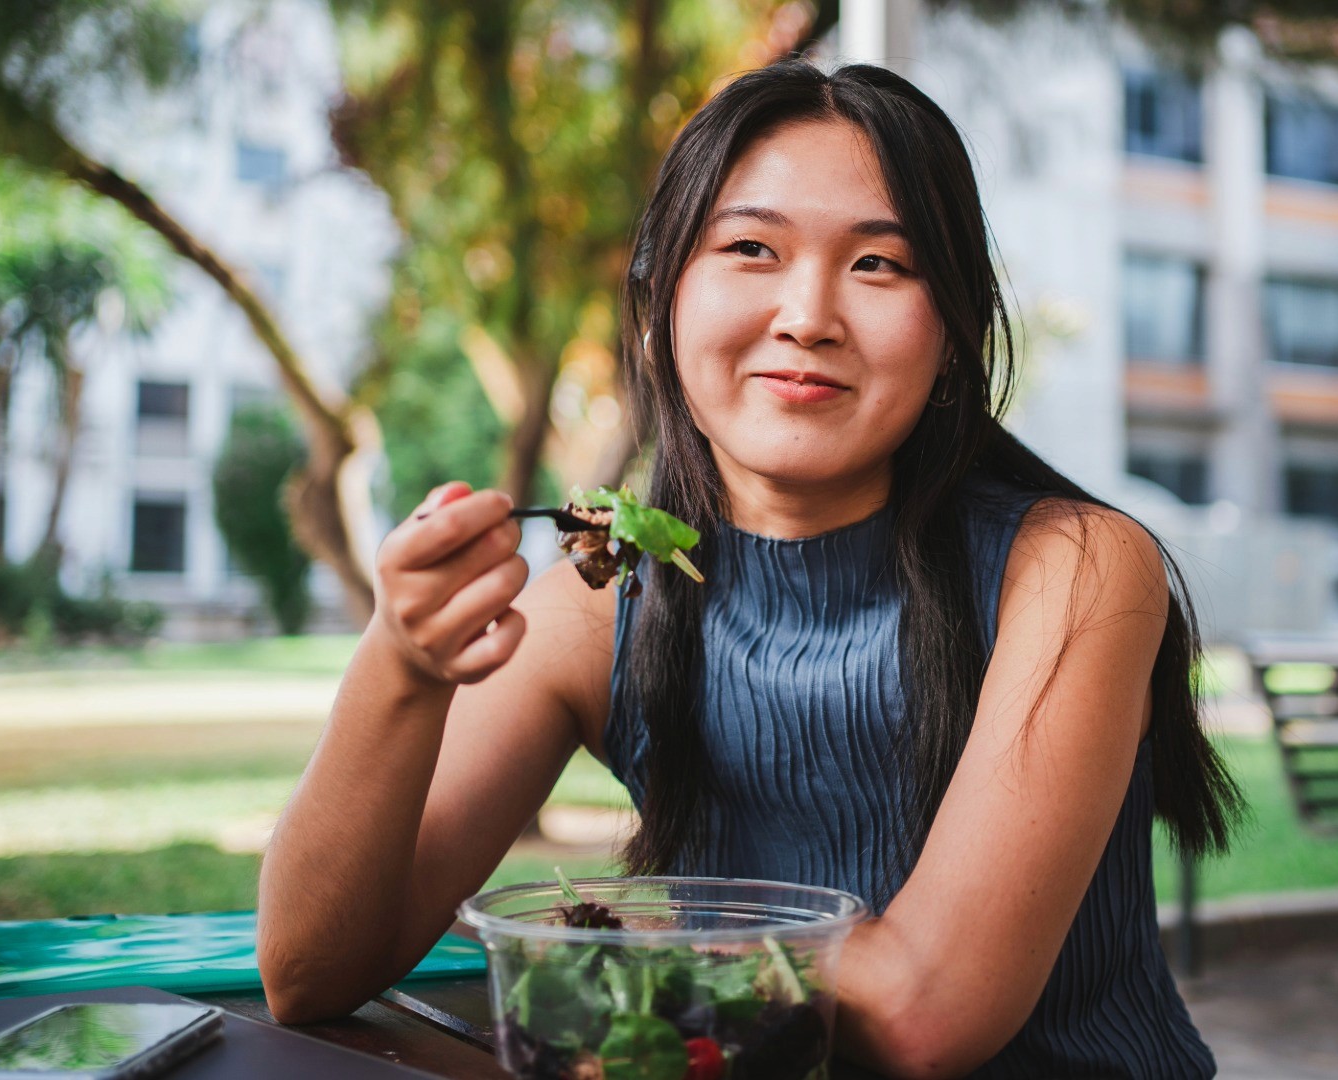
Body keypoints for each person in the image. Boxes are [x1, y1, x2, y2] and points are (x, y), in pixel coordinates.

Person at [258, 58, 1241, 1079]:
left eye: (879, 266)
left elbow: (923, 1019)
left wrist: (634, 926)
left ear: (952, 333)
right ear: (658, 308)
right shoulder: (604, 614)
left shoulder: (1075, 570)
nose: (808, 315)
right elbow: (309, 972)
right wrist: (404, 668)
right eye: (750, 248)